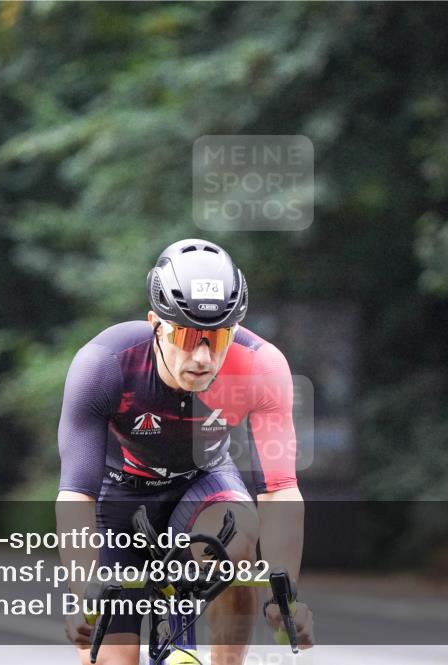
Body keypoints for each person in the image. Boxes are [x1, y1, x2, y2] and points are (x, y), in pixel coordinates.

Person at [57, 239, 314, 665]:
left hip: (203, 483)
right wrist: (85, 594)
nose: (201, 356)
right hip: (118, 499)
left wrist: (284, 599)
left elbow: (280, 490)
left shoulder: (261, 367)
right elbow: (75, 496)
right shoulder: (105, 364)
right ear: (156, 323)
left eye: (217, 337)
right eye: (187, 335)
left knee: (235, 533)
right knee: (110, 655)